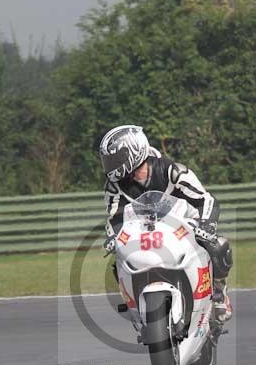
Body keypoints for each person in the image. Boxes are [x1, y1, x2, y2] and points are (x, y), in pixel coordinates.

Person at [99, 124, 233, 321]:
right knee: (118, 259)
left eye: (114, 159)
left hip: (183, 226)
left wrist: (207, 225)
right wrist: (113, 237)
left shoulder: (173, 171)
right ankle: (133, 301)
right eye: (108, 160)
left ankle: (218, 292)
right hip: (143, 232)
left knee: (219, 245)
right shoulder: (115, 187)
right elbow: (114, 217)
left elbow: (205, 199)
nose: (110, 164)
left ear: (134, 150)